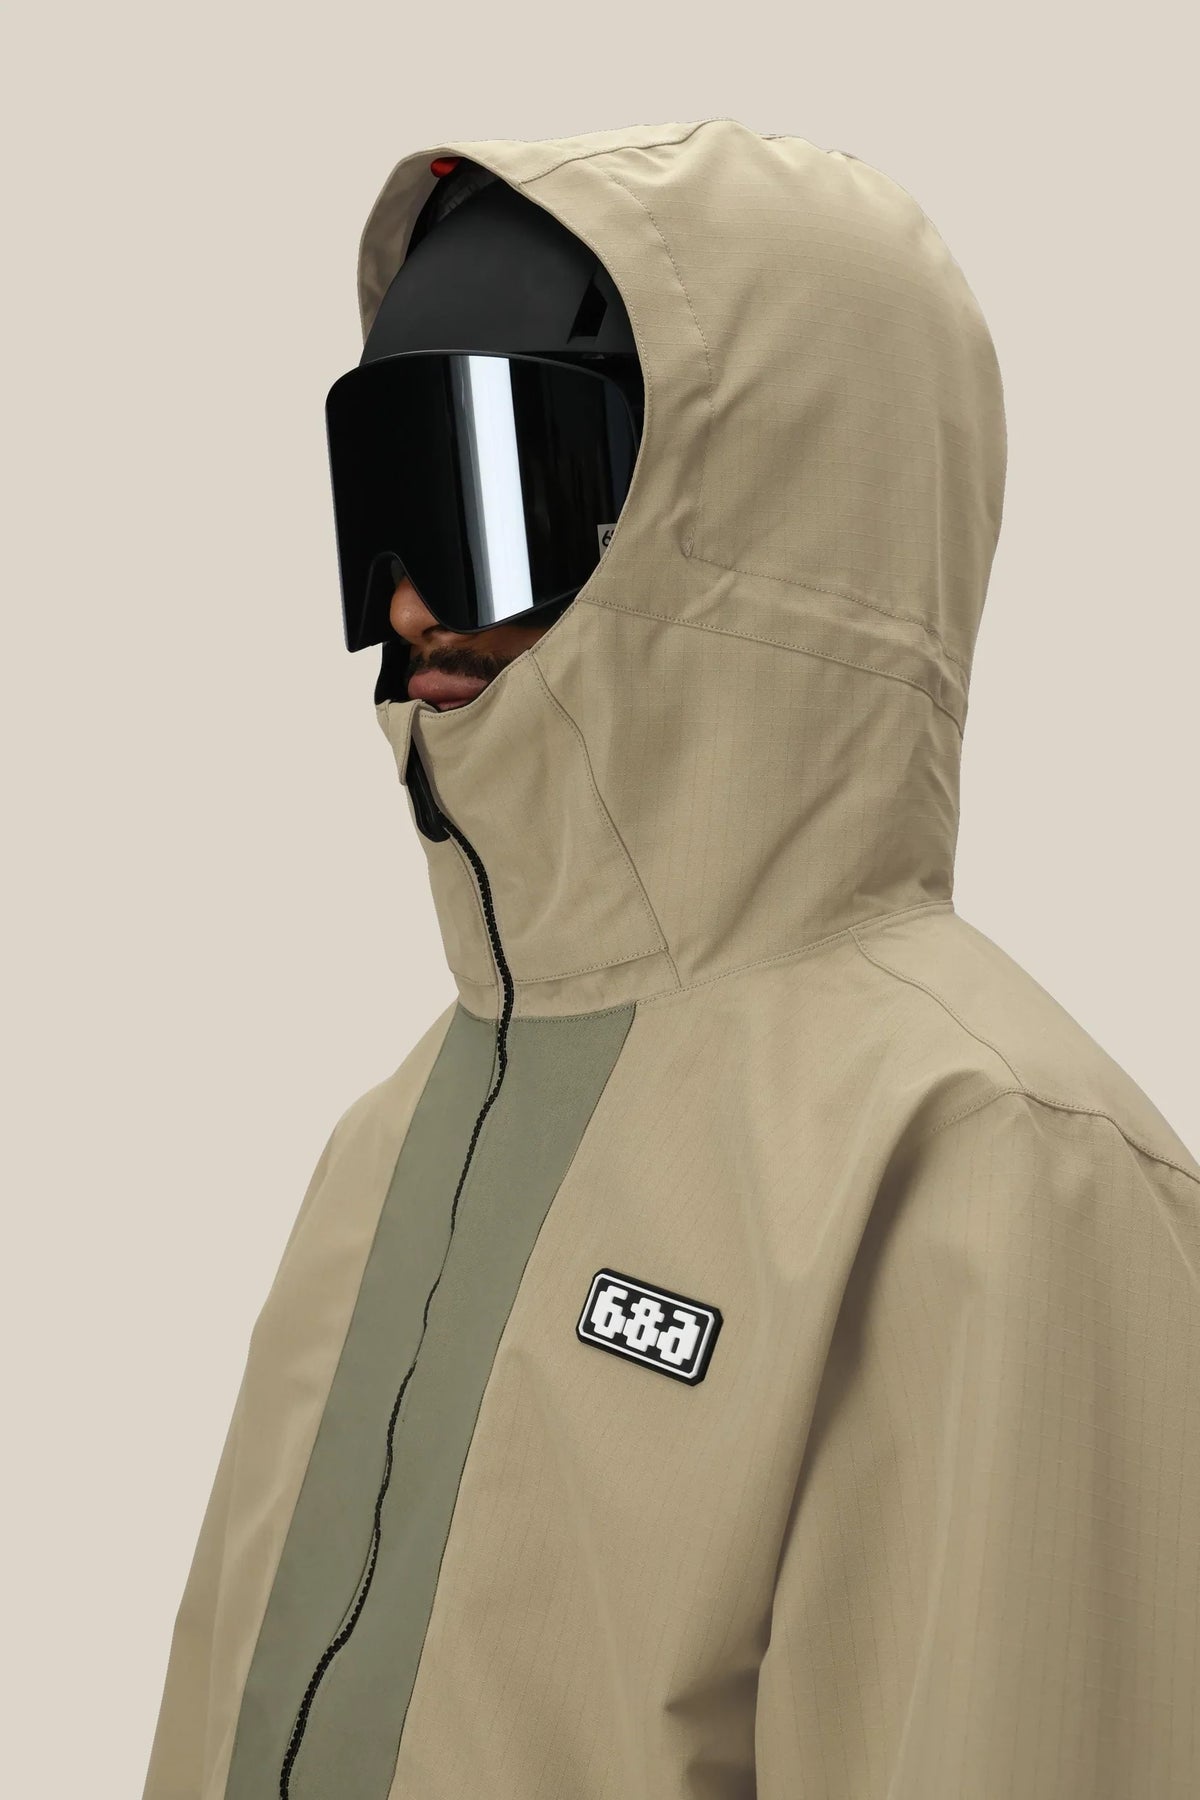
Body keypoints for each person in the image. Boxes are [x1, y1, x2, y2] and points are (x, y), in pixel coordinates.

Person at [141, 121, 1200, 1800]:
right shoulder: (389, 1139)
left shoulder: (993, 1164)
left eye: (493, 492)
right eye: (390, 500)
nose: (409, 605)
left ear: (760, 527)